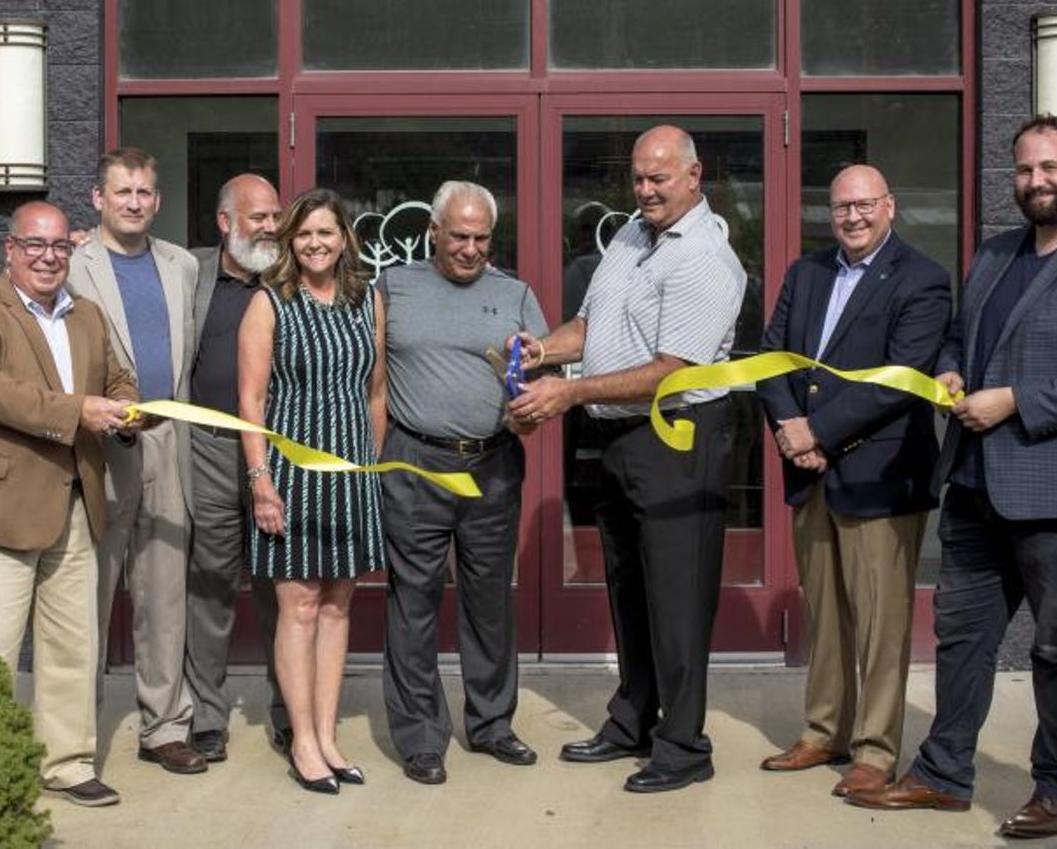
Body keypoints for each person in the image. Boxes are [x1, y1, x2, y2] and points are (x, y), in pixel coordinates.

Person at [849, 115, 1057, 839]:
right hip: (976, 485)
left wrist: (1015, 399)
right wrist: (953, 369)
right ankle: (942, 774)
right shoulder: (994, 255)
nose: (1036, 181)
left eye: (1050, 167)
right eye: (1024, 170)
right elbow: (961, 336)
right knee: (961, 639)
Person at [508, 125, 746, 794]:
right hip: (618, 439)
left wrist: (568, 391)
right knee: (630, 592)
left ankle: (684, 743)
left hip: (677, 437)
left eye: (659, 178)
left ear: (693, 177)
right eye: (638, 177)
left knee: (676, 597)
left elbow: (669, 371)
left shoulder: (703, 257)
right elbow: (592, 327)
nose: (645, 189)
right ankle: (632, 719)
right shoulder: (632, 238)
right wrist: (542, 351)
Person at [757, 165, 951, 798]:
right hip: (810, 472)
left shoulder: (923, 279)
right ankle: (823, 732)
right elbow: (769, 356)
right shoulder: (807, 272)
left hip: (879, 474)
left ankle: (875, 748)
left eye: (865, 205)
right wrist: (790, 426)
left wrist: (819, 433)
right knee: (827, 614)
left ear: (890, 207)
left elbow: (898, 378)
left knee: (880, 622)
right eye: (841, 207)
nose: (853, 217)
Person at [0, 201, 140, 807]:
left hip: (75, 502)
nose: (49, 257)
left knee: (72, 646)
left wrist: (128, 410)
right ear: (10, 249)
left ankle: (68, 764)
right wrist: (79, 411)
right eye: (35, 245)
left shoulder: (88, 316)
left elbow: (117, 378)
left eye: (58, 247)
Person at [378, 181, 549, 786]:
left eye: (481, 238)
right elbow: (373, 378)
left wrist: (530, 400)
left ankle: (492, 725)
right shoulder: (393, 287)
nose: (471, 249)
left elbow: (540, 372)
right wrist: (377, 459)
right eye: (459, 236)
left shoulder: (516, 294)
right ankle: (422, 737)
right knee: (413, 602)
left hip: (492, 465)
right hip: (414, 462)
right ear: (434, 231)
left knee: (488, 601)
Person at [239, 188, 387, 796]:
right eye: (305, 234)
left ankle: (328, 735)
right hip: (292, 476)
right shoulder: (269, 303)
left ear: (344, 238)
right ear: (289, 242)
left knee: (337, 605)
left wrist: (369, 468)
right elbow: (250, 401)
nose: (316, 243)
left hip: (351, 474)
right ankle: (301, 740)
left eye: (327, 232)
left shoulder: (368, 299)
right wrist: (261, 482)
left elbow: (376, 391)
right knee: (298, 606)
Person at [65, 147, 204, 774]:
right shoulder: (69, 264)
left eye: (145, 193)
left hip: (169, 440)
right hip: (99, 446)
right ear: (98, 199)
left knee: (164, 591)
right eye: (122, 192)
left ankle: (164, 726)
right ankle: (74, 736)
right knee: (86, 594)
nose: (134, 203)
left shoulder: (180, 266)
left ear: (158, 200)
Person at [183, 173, 291, 762]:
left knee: (282, 587)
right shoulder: (191, 273)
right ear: (225, 223)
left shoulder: (294, 281)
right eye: (259, 218)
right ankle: (208, 717)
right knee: (212, 586)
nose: (272, 227)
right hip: (209, 448)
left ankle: (289, 713)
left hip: (280, 454)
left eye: (276, 216)